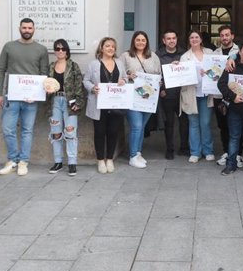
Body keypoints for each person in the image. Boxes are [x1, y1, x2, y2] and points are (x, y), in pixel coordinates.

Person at [0, 18, 49, 176]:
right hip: (12, 97)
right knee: (7, 129)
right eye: (24, 27)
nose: (27, 30)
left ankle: (23, 161)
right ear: (19, 28)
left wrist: (38, 95)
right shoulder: (9, 46)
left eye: (29, 28)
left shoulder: (41, 49)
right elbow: (0, 70)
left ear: (34, 29)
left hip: (31, 99)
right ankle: (12, 160)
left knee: (27, 130)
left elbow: (43, 74)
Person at [84, 37, 127, 174]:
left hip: (115, 104)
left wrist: (123, 81)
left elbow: (125, 78)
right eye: (107, 46)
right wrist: (92, 88)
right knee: (100, 133)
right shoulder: (94, 64)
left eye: (113, 47)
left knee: (113, 132)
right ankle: (100, 160)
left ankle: (110, 159)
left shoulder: (119, 63)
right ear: (101, 48)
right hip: (98, 105)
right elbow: (86, 80)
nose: (110, 49)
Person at [121, 30, 162, 168]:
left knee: (142, 126)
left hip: (149, 97)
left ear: (147, 42)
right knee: (136, 126)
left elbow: (158, 74)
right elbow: (119, 74)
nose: (140, 42)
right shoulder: (125, 56)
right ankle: (132, 156)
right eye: (138, 40)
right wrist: (128, 76)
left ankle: (138, 152)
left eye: (143, 40)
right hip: (132, 96)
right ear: (133, 41)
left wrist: (159, 82)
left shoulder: (153, 56)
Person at [45, 39, 85, 177]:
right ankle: (58, 161)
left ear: (67, 51)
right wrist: (47, 91)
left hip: (70, 102)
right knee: (55, 132)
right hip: (55, 101)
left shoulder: (73, 66)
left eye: (63, 49)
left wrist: (78, 103)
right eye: (57, 48)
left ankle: (72, 162)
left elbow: (79, 86)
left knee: (70, 132)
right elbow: (45, 84)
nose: (60, 51)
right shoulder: (51, 66)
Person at [217, 39, 243, 175]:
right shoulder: (231, 66)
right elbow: (221, 84)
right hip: (234, 110)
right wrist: (233, 97)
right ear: (239, 52)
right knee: (234, 137)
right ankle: (231, 164)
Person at [180, 30, 215, 163]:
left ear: (201, 39)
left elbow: (218, 67)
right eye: (191, 37)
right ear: (189, 40)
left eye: (196, 37)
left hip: (206, 94)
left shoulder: (210, 53)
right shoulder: (185, 57)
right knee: (193, 124)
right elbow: (181, 76)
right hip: (191, 94)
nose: (194, 39)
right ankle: (195, 152)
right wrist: (176, 68)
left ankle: (208, 151)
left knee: (205, 123)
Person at [156, 29, 189, 159]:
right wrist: (161, 89)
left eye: (173, 38)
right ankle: (169, 149)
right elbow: (155, 74)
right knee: (169, 123)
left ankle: (184, 147)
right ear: (164, 41)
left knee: (184, 122)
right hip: (167, 94)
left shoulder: (184, 54)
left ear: (176, 39)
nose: (171, 41)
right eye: (168, 38)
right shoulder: (157, 55)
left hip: (182, 93)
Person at [213, 25, 241, 167]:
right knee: (223, 125)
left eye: (227, 35)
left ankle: (238, 155)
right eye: (222, 35)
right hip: (219, 95)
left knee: (236, 125)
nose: (224, 37)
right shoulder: (214, 53)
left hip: (235, 94)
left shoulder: (239, 51)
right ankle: (226, 152)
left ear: (232, 36)